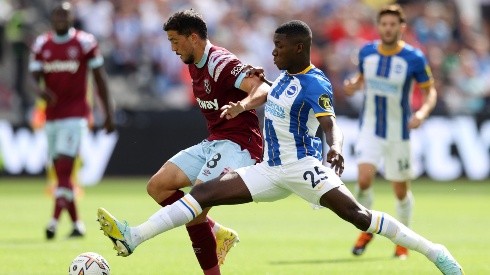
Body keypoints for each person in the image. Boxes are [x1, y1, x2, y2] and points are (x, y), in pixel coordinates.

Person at [97, 20, 463, 274]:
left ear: (299, 47)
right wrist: (242, 104)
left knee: (358, 217)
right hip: (269, 170)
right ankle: (134, 237)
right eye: (273, 46)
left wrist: (334, 148)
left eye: (280, 47)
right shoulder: (285, 77)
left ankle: (435, 252)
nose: (273, 52)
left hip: (303, 168)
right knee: (204, 193)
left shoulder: (315, 84)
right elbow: (268, 90)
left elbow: (329, 124)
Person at [99, 9, 270, 275]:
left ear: (193, 38)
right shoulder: (193, 64)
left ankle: (134, 236)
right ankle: (217, 231)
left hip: (239, 144)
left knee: (195, 207)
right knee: (158, 187)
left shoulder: (221, 61)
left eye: (175, 41)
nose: (173, 49)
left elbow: (262, 88)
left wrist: (242, 105)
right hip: (215, 142)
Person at [343, 4, 438, 259]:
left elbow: (430, 91)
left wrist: (422, 113)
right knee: (363, 180)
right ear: (379, 27)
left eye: (393, 24)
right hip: (370, 128)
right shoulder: (367, 52)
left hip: (399, 133)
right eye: (384, 24)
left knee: (400, 191)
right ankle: (367, 228)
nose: (388, 28)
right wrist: (353, 85)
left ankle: (403, 240)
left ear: (401, 28)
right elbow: (360, 79)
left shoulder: (413, 58)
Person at [28, 2, 115, 240]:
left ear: (71, 18)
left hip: (75, 116)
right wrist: (39, 91)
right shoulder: (41, 44)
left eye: (65, 15)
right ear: (51, 18)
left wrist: (108, 112)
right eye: (57, 15)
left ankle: (53, 222)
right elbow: (32, 79)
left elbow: (100, 79)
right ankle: (77, 224)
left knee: (65, 169)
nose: (60, 20)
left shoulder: (85, 42)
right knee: (61, 172)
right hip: (52, 116)